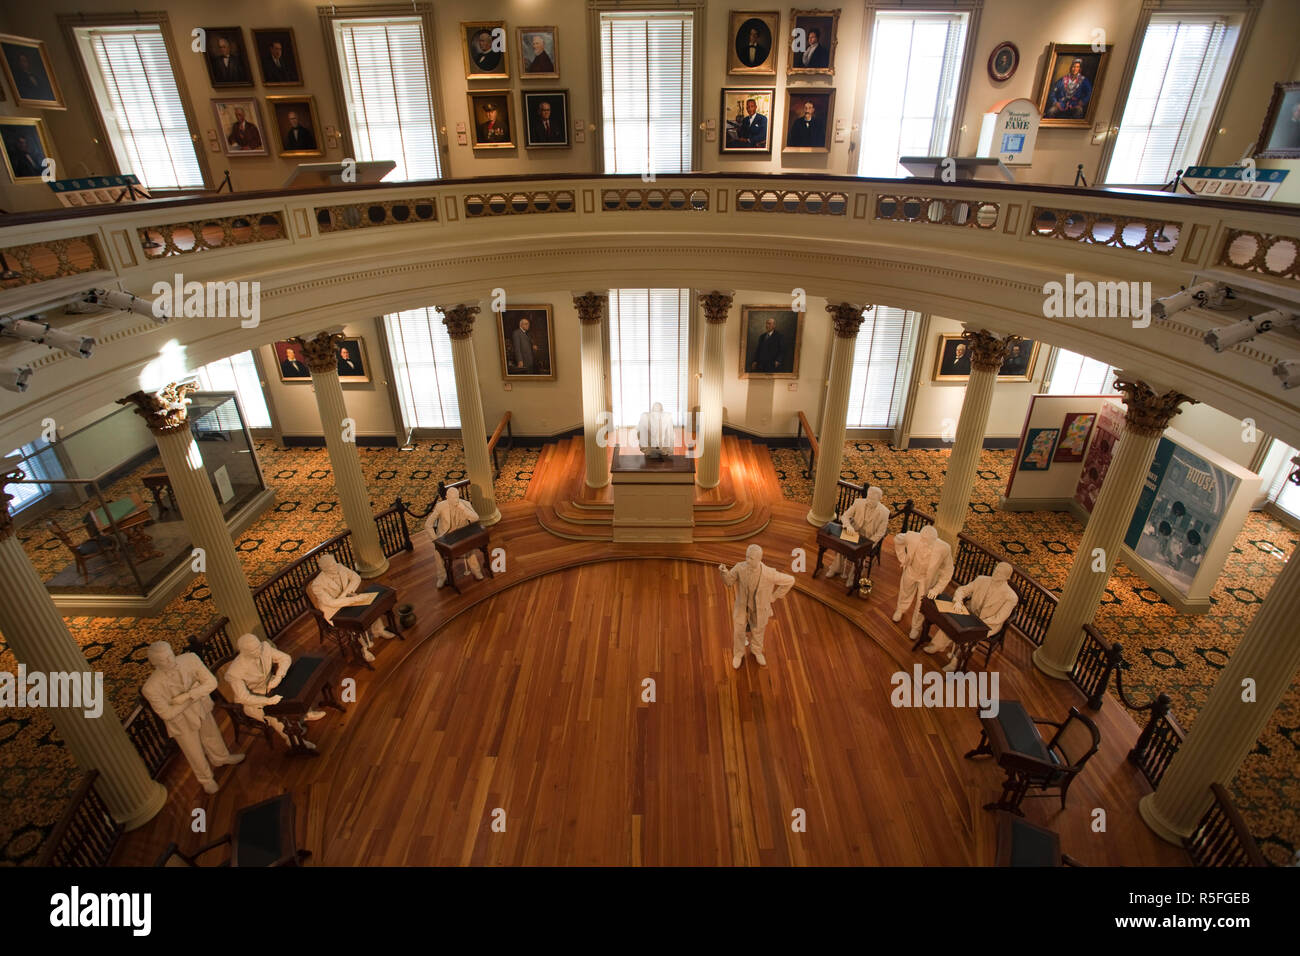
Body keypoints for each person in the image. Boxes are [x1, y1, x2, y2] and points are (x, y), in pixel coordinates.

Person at [141, 642, 244, 795]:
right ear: (155, 663)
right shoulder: (151, 687)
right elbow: (166, 714)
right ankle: (206, 780)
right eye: (165, 660)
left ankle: (221, 757)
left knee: (212, 734)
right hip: (181, 722)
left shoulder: (190, 659)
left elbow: (212, 682)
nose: (171, 660)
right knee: (193, 751)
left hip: (201, 707)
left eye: (170, 655)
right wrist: (195, 694)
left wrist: (186, 697)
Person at [224, 633, 326, 751]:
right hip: (253, 700)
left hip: (270, 685)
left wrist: (278, 677)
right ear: (244, 652)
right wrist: (267, 701)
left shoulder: (264, 647)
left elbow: (286, 658)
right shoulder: (235, 672)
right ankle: (294, 741)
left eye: (258, 646)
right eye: (254, 650)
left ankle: (305, 714)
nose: (259, 650)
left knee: (292, 688)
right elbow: (243, 697)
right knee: (273, 714)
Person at [923, 561, 1018, 672]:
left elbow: (999, 618)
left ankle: (956, 662)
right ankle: (937, 645)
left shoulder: (1011, 597)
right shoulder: (981, 580)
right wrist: (958, 601)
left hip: (988, 624)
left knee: (969, 636)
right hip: (970, 612)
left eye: (1000, 573)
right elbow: (962, 590)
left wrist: (978, 623)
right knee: (950, 624)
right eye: (996, 569)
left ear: (1007, 577)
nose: (995, 573)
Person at [308, 553, 396, 663]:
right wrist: (353, 599)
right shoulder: (317, 585)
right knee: (352, 624)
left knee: (370, 607)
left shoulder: (338, 566)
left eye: (334, 563)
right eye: (331, 566)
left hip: (348, 599)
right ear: (323, 569)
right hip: (334, 611)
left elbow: (356, 577)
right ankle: (363, 649)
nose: (335, 567)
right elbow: (331, 603)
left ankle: (378, 630)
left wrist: (345, 595)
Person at [719, 544, 795, 669]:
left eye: (751, 558)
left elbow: (790, 580)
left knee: (758, 632)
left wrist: (774, 597)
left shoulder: (769, 573)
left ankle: (756, 650)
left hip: (760, 610)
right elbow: (729, 582)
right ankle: (738, 654)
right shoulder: (739, 568)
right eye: (747, 557)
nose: (748, 560)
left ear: (759, 558)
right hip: (742, 608)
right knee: (738, 632)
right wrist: (724, 573)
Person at [892, 524, 954, 640]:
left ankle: (916, 626)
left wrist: (937, 589)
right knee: (905, 592)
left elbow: (948, 571)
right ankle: (900, 610)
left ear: (935, 540)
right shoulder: (911, 536)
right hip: (911, 571)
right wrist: (903, 558)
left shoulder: (944, 548)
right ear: (921, 536)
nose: (925, 543)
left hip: (926, 579)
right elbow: (897, 539)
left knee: (922, 603)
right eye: (923, 540)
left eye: (928, 541)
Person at [827, 485, 889, 582]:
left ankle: (853, 576)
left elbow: (880, 533)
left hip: (868, 538)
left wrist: (868, 544)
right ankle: (836, 568)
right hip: (853, 532)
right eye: (868, 498)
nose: (869, 501)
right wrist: (848, 526)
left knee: (860, 555)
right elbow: (844, 516)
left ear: (879, 500)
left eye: (872, 500)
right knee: (842, 546)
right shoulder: (858, 502)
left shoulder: (885, 512)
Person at [425, 486, 484, 587]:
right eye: (452, 498)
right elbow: (428, 524)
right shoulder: (440, 506)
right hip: (446, 536)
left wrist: (464, 509)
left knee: (469, 549)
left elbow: (476, 518)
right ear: (447, 497)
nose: (455, 500)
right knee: (437, 552)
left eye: (457, 497)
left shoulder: (465, 504)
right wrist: (435, 540)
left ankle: (476, 571)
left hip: (461, 534)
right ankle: (441, 577)